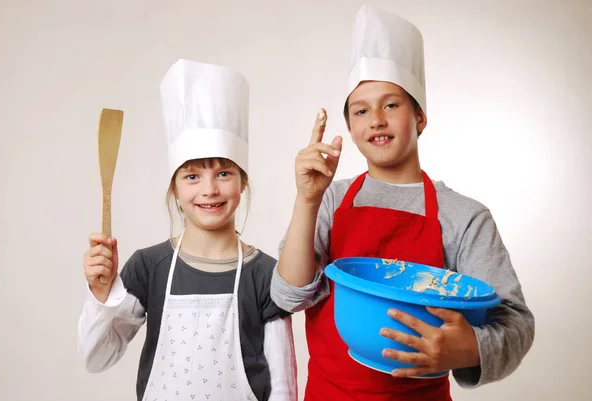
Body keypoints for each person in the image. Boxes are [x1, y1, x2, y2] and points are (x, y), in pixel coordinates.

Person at [271, 5, 534, 401]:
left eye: (391, 104)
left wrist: (469, 348)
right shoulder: (330, 200)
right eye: (361, 110)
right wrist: (307, 200)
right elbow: (288, 296)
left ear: (420, 117)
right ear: (351, 129)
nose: (376, 119)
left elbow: (514, 323)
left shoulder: (464, 217)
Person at [78, 59, 297, 401]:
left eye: (224, 173)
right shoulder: (148, 267)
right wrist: (101, 296)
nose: (209, 189)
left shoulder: (267, 274)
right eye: (192, 176)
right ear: (176, 192)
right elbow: (97, 357)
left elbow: (283, 384)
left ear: (242, 184)